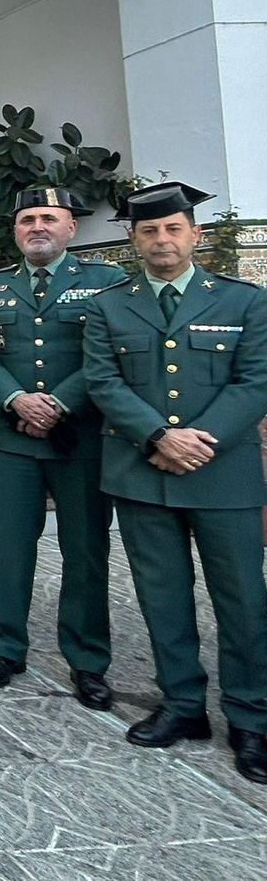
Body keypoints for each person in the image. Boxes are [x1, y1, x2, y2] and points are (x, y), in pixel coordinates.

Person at [83, 181, 267, 784]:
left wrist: (196, 441)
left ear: (195, 233)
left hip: (223, 474)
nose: (162, 239)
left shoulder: (245, 303)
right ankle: (183, 705)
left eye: (173, 229)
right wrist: (159, 437)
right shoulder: (110, 305)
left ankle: (251, 718)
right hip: (143, 474)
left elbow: (254, 383)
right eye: (148, 231)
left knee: (242, 600)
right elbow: (103, 382)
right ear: (132, 240)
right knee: (163, 598)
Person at [0, 188, 125, 707]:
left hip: (80, 439)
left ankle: (87, 659)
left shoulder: (104, 281)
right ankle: (7, 648)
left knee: (85, 551)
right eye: (28, 219)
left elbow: (108, 355)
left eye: (49, 218)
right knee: (9, 548)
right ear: (15, 231)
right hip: (13, 442)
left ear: (70, 228)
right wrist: (16, 399)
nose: (38, 226)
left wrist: (57, 403)